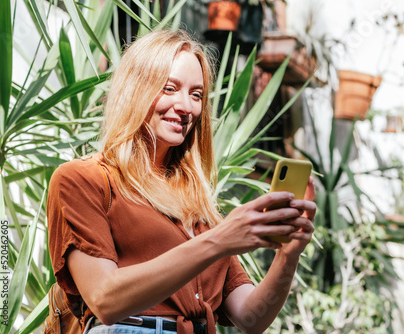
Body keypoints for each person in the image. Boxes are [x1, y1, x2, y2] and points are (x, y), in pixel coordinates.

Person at [47, 28, 316, 334]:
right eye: (170, 88)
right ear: (136, 89)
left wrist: (288, 255)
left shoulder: (200, 208)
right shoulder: (85, 179)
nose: (186, 107)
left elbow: (251, 318)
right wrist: (219, 241)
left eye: (196, 94)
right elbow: (104, 300)